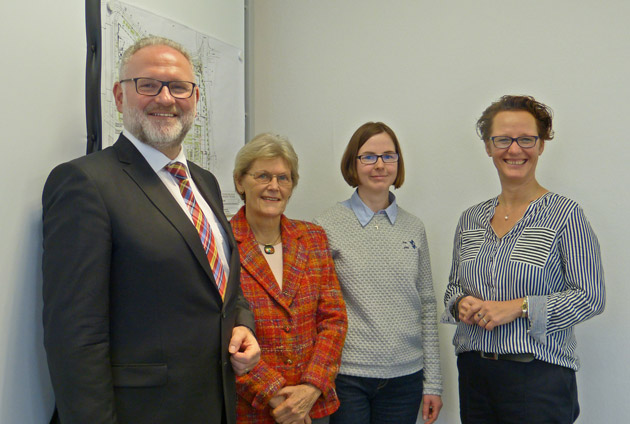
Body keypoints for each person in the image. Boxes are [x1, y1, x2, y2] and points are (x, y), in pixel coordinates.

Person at [42, 36, 260, 424]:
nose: (165, 98)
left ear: (194, 98)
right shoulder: (85, 183)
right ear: (120, 96)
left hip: (215, 404)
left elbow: (222, 287)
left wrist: (242, 324)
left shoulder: (205, 182)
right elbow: (75, 335)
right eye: (148, 85)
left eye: (179, 87)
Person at [442, 95, 606, 424]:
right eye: (502, 139)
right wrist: (460, 302)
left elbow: (590, 297)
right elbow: (452, 287)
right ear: (489, 147)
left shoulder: (565, 215)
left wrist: (520, 306)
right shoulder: (470, 219)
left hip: (538, 377)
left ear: (541, 145)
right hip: (475, 374)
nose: (514, 150)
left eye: (526, 139)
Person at [314, 122, 443, 424]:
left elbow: (427, 304)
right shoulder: (325, 227)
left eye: (389, 156)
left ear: (398, 163)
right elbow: (317, 309)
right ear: (352, 163)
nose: (380, 165)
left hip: (405, 379)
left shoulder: (414, 227)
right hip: (347, 377)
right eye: (369, 157)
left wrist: (433, 382)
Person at [231, 133, 348, 424]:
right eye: (263, 176)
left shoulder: (312, 238)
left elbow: (333, 319)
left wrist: (309, 389)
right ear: (239, 181)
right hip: (252, 409)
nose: (274, 186)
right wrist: (277, 396)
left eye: (284, 178)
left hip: (313, 407)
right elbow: (216, 335)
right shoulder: (222, 243)